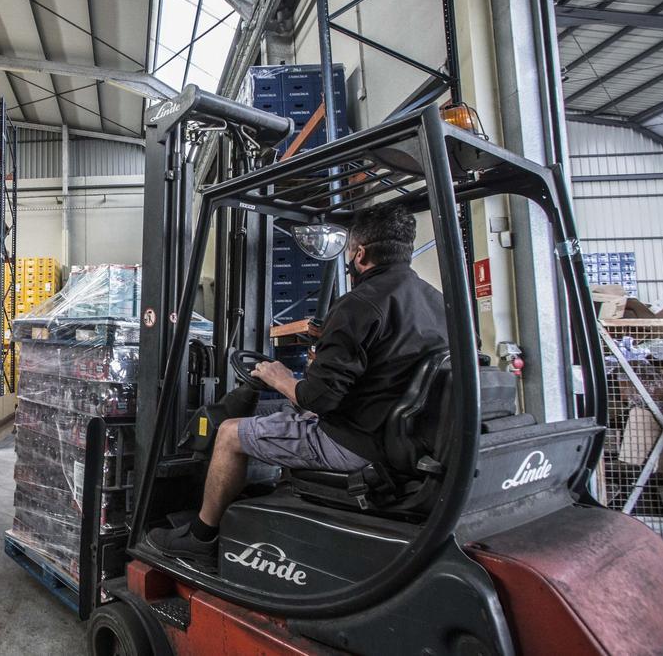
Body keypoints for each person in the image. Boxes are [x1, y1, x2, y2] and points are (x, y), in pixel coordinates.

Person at [146, 205, 449, 566]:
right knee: (283, 411)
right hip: (405, 439)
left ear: (360, 253)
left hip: (357, 444)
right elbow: (384, 369)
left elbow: (318, 399)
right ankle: (256, 498)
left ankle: (201, 537)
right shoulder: (436, 301)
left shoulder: (359, 305)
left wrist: (279, 377)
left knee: (228, 432)